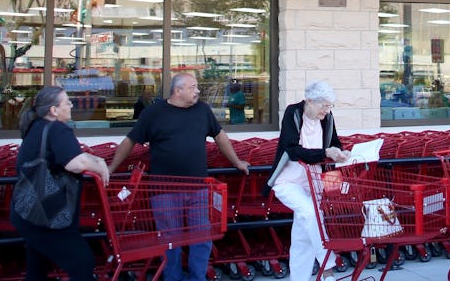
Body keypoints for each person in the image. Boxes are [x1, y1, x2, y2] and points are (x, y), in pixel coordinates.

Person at [108, 73, 250, 281]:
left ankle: (197, 278)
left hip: (198, 188)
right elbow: (130, 141)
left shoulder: (203, 110)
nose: (198, 91)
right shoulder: (154, 113)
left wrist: (237, 162)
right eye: (193, 87)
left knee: (202, 238)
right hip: (164, 190)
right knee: (170, 240)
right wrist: (111, 168)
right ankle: (172, 278)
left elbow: (220, 137)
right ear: (178, 90)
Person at [11, 87, 110, 281]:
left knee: (37, 267)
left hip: (29, 211)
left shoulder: (37, 126)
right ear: (54, 110)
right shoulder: (57, 128)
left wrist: (97, 160)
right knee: (82, 262)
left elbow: (73, 155)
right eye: (67, 102)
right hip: (49, 212)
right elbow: (76, 163)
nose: (71, 105)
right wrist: (100, 168)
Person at [265, 81, 350, 281]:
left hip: (313, 181)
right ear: (309, 101)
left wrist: (338, 152)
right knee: (311, 213)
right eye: (324, 106)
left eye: (330, 106)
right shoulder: (293, 113)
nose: (327, 111)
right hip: (288, 181)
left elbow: (334, 142)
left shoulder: (327, 118)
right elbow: (292, 150)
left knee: (303, 237)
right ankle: (327, 267)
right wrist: (324, 152)